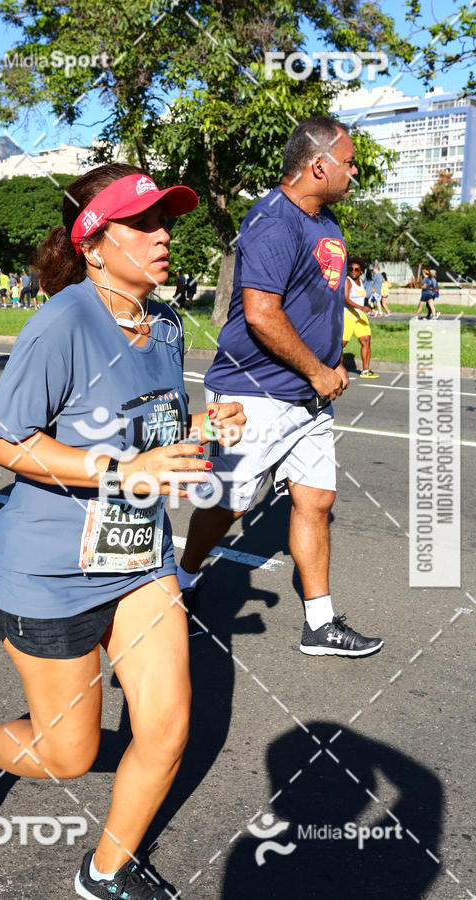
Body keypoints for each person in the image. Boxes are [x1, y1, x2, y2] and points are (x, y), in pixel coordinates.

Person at [0, 163, 245, 899]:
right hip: (50, 573)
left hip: (142, 563)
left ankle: (105, 871)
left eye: (165, 219)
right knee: (67, 754)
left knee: (167, 728)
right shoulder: (64, 321)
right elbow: (2, 442)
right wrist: (120, 470)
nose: (163, 234)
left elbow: (151, 432)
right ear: (94, 244)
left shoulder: (163, 321)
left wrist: (207, 426)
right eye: (142, 223)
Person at [177, 116, 383, 658]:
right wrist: (317, 369)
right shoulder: (272, 220)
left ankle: (320, 623)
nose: (355, 171)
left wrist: (336, 336)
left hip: (308, 397)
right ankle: (182, 582)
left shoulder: (328, 224)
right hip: (254, 393)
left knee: (316, 501)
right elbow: (262, 313)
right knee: (228, 503)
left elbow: (315, 292)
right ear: (319, 165)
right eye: (349, 162)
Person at [342, 257, 379, 379]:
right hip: (348, 315)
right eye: (351, 269)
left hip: (360, 316)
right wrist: (361, 307)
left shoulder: (361, 282)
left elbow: (362, 299)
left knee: (366, 341)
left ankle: (365, 371)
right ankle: (335, 368)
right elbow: (345, 299)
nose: (353, 271)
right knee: (341, 344)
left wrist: (368, 308)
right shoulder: (347, 281)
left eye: (356, 269)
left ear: (361, 271)